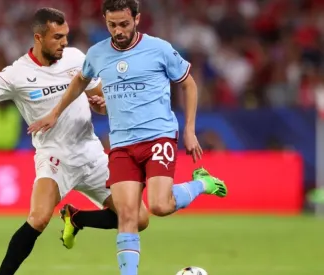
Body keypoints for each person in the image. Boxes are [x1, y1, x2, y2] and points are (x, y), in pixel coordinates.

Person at [0, 7, 149, 275]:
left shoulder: (76, 57)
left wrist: (103, 105)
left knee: (139, 218)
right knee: (39, 218)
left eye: (66, 35)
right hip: (54, 157)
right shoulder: (16, 74)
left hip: (91, 153)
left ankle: (76, 218)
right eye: (57, 37)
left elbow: (102, 99)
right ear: (38, 37)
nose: (64, 42)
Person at [27, 1, 228, 275]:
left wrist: (190, 130)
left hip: (158, 137)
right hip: (121, 145)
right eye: (112, 25)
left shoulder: (158, 49)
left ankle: (202, 183)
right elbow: (80, 81)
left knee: (159, 205)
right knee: (128, 216)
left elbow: (189, 83)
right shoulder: (98, 53)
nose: (118, 31)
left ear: (137, 19)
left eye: (124, 24)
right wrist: (56, 113)